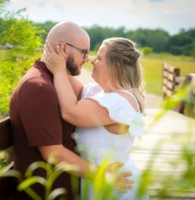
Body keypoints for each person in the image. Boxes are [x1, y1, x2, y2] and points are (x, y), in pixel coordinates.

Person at [9, 21, 132, 200]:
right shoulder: (39, 87)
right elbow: (53, 153)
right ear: (64, 49)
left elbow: (83, 94)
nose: (87, 58)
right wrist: (103, 175)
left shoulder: (54, 80)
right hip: (46, 194)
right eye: (83, 51)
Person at [43, 37, 149, 199]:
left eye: (99, 58)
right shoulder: (99, 93)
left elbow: (71, 112)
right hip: (100, 182)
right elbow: (67, 84)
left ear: (114, 67)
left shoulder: (120, 101)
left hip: (118, 188)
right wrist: (59, 59)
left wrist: (58, 70)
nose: (92, 61)